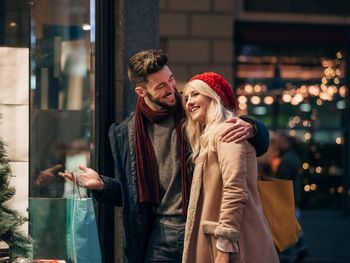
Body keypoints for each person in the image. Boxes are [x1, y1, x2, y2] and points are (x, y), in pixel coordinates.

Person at [61, 50, 270, 263]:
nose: (172, 90)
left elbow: (240, 138)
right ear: (141, 92)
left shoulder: (193, 111)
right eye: (161, 87)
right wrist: (104, 185)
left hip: (199, 225)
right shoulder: (126, 133)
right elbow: (134, 196)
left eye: (170, 80)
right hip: (160, 233)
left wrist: (253, 127)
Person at [181, 72, 279, 263]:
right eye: (186, 98)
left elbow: (234, 189)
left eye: (195, 94)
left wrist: (224, 247)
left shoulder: (227, 130)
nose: (189, 102)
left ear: (212, 95)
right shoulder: (210, 134)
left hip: (233, 245)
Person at [274, 131, 307, 262]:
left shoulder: (287, 159)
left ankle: (288, 254)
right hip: (291, 197)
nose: (277, 143)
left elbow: (282, 180)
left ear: (284, 141)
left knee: (288, 227)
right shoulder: (290, 156)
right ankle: (301, 249)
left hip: (287, 197)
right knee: (292, 225)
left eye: (278, 140)